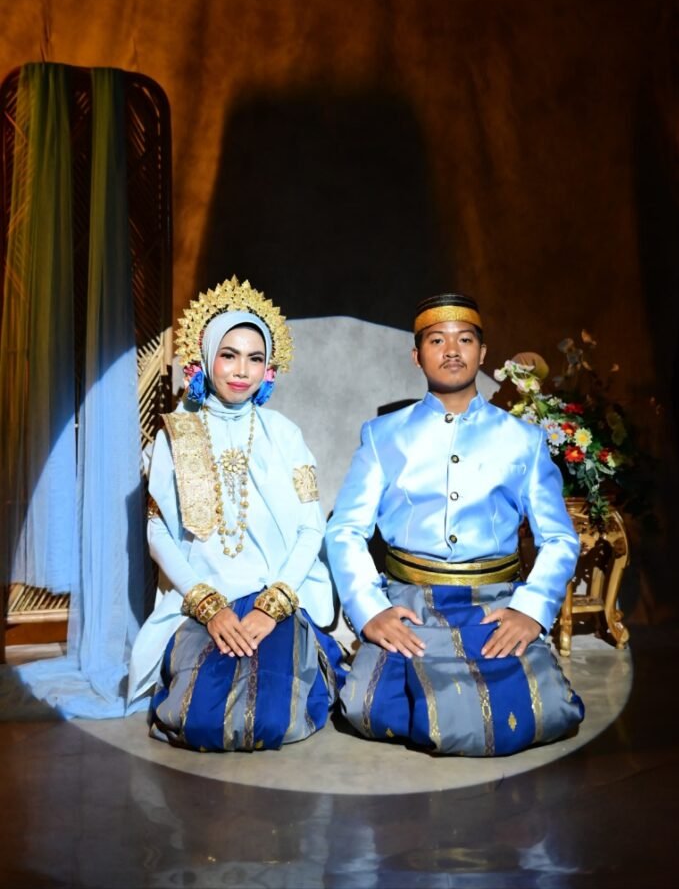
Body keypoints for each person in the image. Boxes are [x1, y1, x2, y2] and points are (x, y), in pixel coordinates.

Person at [325, 293, 584, 757]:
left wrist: (531, 610)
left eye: (464, 340)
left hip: (495, 603)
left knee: (546, 711)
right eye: (436, 340)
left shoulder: (522, 439)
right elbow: (344, 530)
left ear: (482, 353)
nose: (451, 350)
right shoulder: (383, 435)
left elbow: (560, 537)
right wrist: (370, 610)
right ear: (416, 355)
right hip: (410, 601)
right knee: (366, 708)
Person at [128, 276, 344, 751]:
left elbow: (311, 528)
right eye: (229, 355)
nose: (242, 370)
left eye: (255, 358)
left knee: (269, 717)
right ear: (205, 358)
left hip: (276, 594)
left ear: (269, 368)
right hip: (203, 596)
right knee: (200, 720)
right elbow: (158, 533)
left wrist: (273, 605)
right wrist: (208, 606)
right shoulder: (176, 434)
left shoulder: (285, 434)